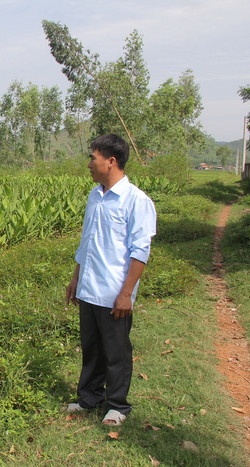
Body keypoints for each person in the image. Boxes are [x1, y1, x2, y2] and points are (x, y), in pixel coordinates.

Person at [65, 134, 156, 426]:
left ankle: (117, 406)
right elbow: (87, 242)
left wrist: (126, 293)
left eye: (93, 158)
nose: (89, 164)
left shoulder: (136, 201)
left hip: (114, 291)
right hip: (89, 288)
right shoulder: (95, 195)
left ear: (111, 161)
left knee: (116, 352)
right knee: (92, 348)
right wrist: (75, 278)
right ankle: (89, 398)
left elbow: (140, 250)